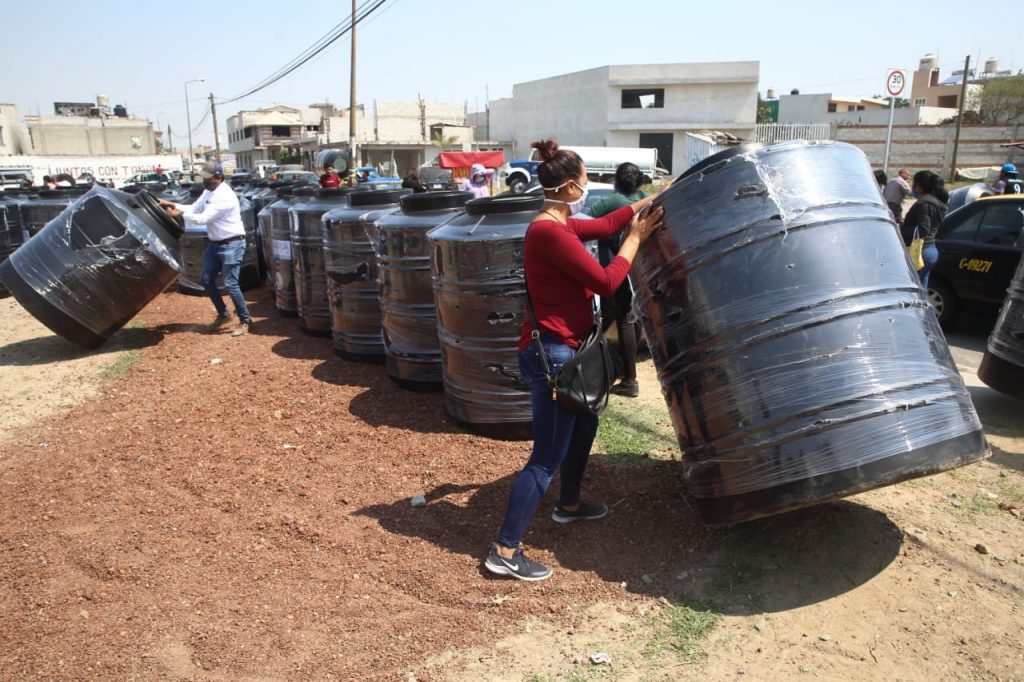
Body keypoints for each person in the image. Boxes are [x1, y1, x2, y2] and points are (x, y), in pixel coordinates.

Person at [483, 139, 664, 582]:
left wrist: (655, 198)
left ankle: (570, 504)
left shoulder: (559, 224)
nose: (587, 185)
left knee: (585, 425)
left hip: (569, 351)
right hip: (554, 358)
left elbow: (604, 225)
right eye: (584, 179)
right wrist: (636, 239)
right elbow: (605, 280)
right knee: (545, 457)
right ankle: (504, 550)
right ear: (567, 187)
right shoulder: (548, 232)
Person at [158, 161, 253, 337]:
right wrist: (172, 204)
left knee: (231, 284)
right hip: (216, 244)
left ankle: (245, 320)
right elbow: (194, 208)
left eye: (208, 178)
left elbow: (203, 219)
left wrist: (179, 214)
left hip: (232, 244)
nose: (205, 181)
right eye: (204, 178)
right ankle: (223, 315)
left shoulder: (224, 196)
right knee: (206, 279)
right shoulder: (209, 191)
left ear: (218, 177)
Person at [585, 162, 650, 397]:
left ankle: (629, 380)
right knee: (635, 318)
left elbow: (587, 219)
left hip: (619, 267)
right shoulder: (647, 198)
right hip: (641, 269)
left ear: (616, 180)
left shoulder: (615, 201)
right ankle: (624, 372)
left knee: (624, 319)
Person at [901, 170, 948, 290]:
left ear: (919, 186)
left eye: (914, 183)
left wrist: (902, 229)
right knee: (922, 288)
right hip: (929, 249)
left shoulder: (924, 203)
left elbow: (923, 229)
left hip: (919, 252)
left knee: (913, 289)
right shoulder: (938, 202)